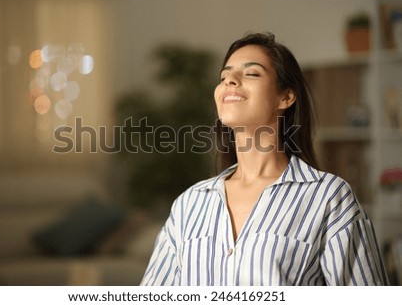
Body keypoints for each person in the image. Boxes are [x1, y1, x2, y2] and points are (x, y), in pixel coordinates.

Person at [140, 32, 389, 286]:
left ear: (286, 97)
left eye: (251, 73)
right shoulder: (189, 204)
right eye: (224, 77)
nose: (230, 82)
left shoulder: (329, 198)